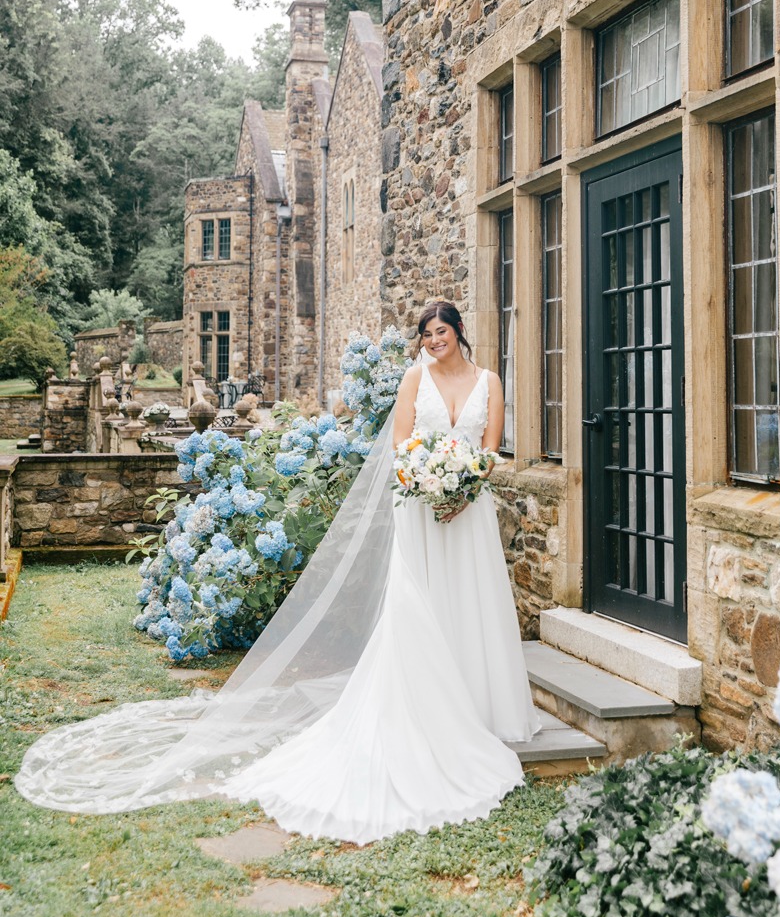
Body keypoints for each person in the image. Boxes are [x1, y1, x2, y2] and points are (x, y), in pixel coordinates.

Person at [15, 302, 539, 845]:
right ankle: (425, 712)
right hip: (421, 509)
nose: (434, 340)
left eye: (443, 331)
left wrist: (462, 488)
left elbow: (489, 449)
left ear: (459, 333)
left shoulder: (489, 381)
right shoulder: (415, 378)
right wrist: (432, 487)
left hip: (466, 511)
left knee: (470, 601)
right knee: (420, 604)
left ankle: (479, 707)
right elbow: (400, 447)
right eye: (427, 333)